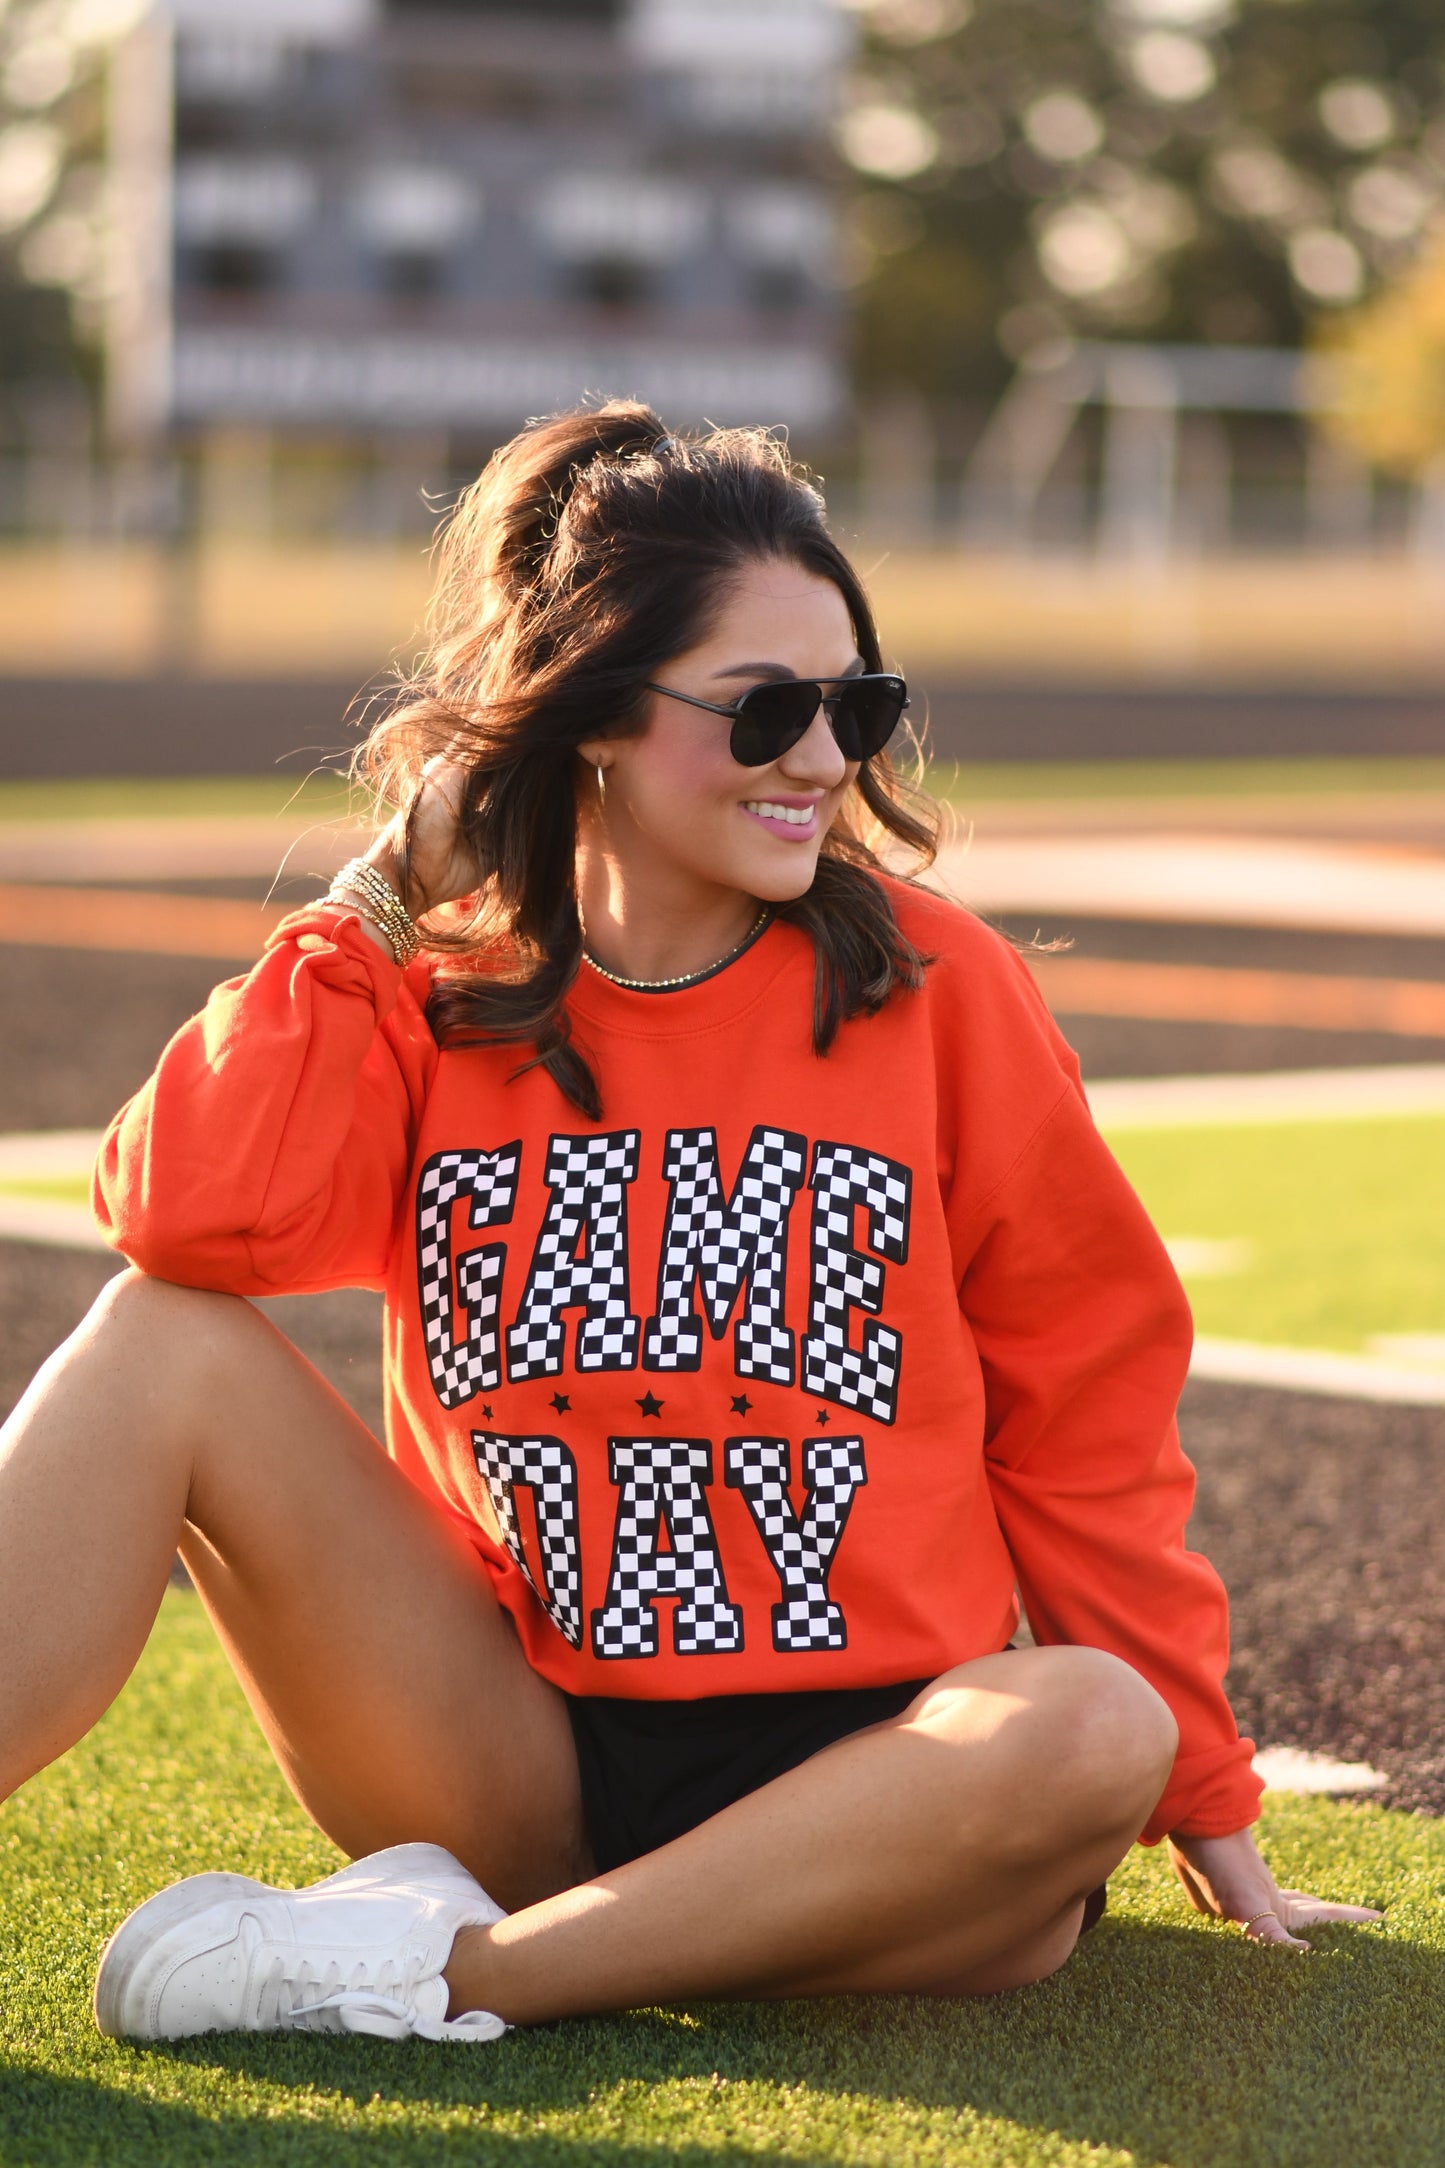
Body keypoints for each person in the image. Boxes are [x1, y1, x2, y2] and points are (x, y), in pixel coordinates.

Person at [0, 404, 1376, 2047]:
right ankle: (562, 1938)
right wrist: (373, 907)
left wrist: (1208, 1798)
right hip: (518, 1757)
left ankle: (455, 1975)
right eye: (766, 709)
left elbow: (1083, 1409)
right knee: (161, 1341)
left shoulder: (942, 998)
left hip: (885, 1782)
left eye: (856, 705)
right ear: (590, 715)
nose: (821, 758)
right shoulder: (434, 987)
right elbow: (187, 1220)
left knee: (1093, 1725)